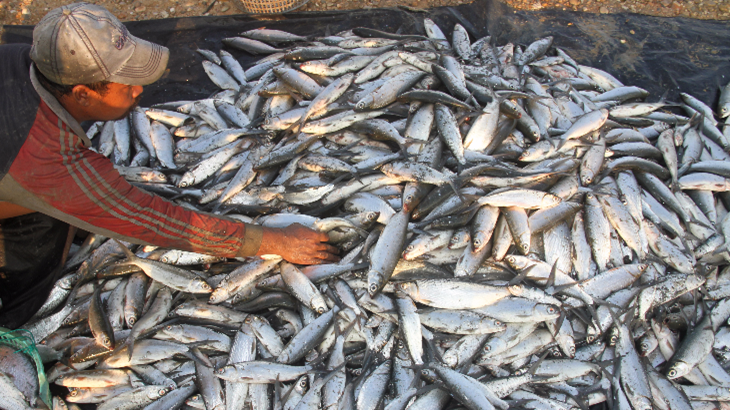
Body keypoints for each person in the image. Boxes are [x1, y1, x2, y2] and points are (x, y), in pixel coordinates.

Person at [0, 2, 338, 328]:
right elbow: (157, 222)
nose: (140, 89)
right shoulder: (49, 158)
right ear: (82, 94)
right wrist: (276, 241)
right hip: (27, 165)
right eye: (127, 83)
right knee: (40, 251)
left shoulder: (15, 58)